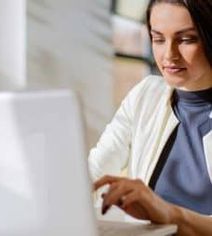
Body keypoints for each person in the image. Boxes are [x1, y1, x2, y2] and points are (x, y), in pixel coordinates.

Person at [88, 0, 212, 235]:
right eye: (158, 39)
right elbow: (95, 173)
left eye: (186, 39)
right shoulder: (146, 96)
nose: (168, 55)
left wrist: (171, 214)